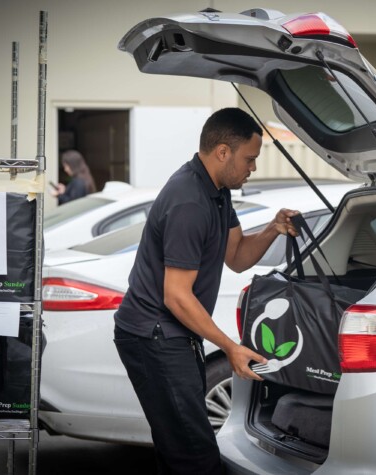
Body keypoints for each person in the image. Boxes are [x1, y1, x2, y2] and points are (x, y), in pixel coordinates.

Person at [113, 107, 299, 474]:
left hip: (172, 337)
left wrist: (273, 229)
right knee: (195, 455)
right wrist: (230, 347)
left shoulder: (216, 191)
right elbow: (176, 295)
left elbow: (237, 257)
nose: (253, 168)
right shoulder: (189, 201)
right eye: (250, 158)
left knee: (178, 448)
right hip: (154, 338)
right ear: (223, 152)